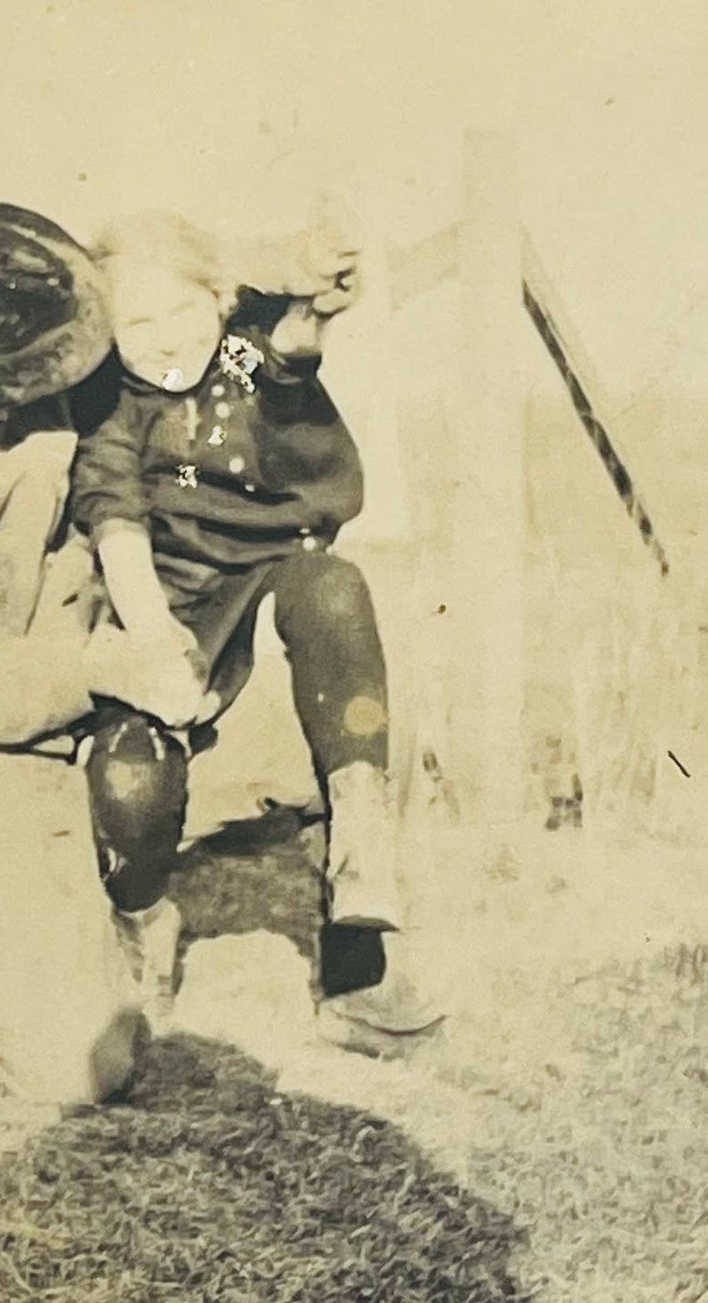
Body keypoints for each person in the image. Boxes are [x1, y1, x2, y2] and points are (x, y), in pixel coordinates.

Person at [71, 211, 447, 1053]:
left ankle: (361, 866)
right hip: (168, 590)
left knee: (336, 592)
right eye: (137, 323)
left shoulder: (238, 348)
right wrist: (155, 644)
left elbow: (288, 355)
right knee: (131, 773)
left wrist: (312, 305)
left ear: (217, 300)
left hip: (279, 564)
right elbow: (113, 520)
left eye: (182, 312)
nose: (166, 339)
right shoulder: (110, 398)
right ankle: (143, 921)